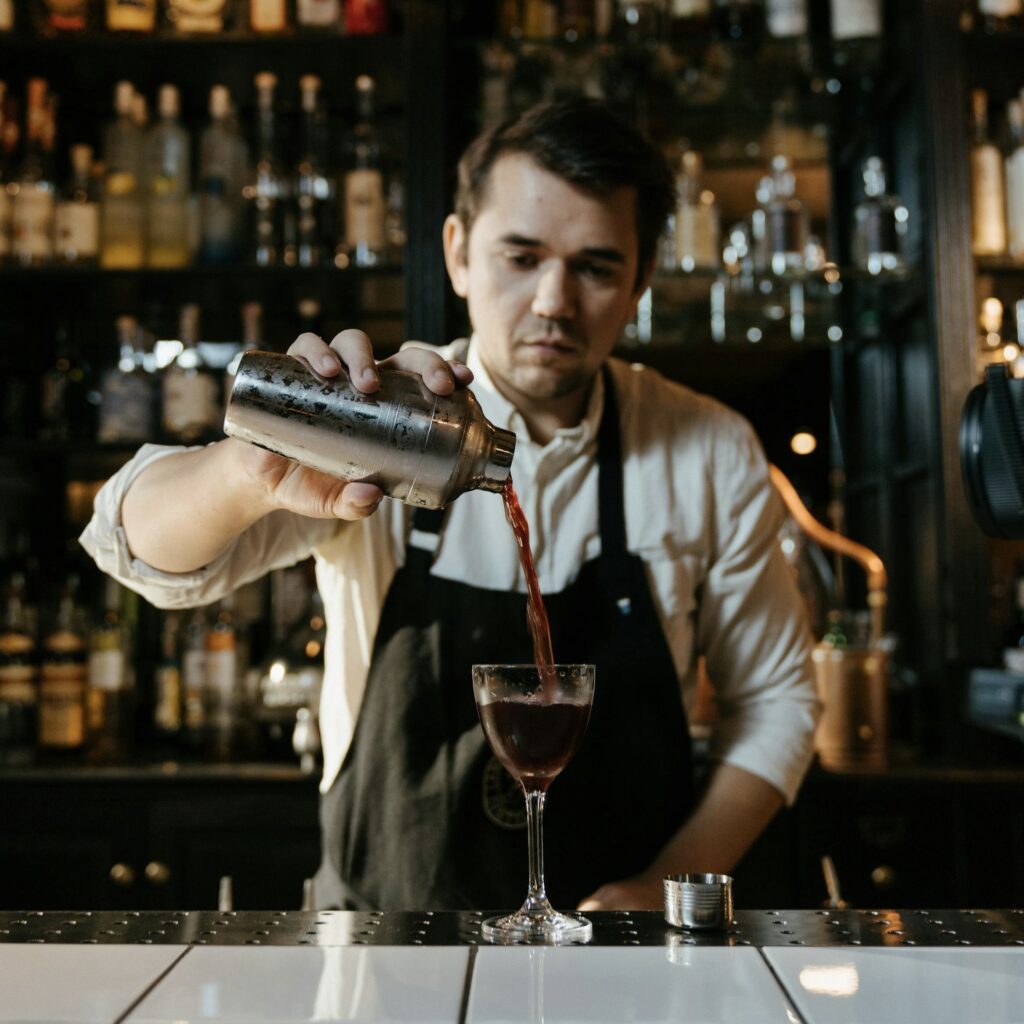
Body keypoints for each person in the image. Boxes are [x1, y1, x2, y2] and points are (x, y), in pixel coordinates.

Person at [81, 98, 819, 912]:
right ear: (459, 254)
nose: (553, 301)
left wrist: (659, 889)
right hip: (379, 944)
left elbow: (777, 702)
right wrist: (255, 468)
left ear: (641, 280)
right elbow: (132, 543)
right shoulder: (387, 422)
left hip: (626, 954)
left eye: (597, 267)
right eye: (521, 256)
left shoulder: (709, 451)